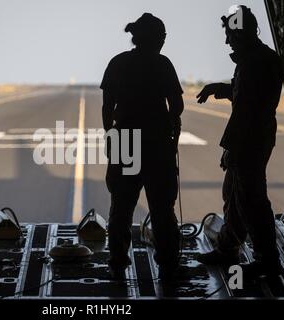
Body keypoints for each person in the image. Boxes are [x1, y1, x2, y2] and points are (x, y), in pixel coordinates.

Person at [196, 6, 284, 278]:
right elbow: (244, 95)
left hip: (250, 139)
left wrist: (230, 149)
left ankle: (266, 259)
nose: (226, 41)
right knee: (235, 195)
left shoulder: (254, 63)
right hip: (256, 135)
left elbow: (246, 110)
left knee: (251, 199)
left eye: (230, 35)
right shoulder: (259, 59)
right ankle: (228, 248)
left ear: (242, 33)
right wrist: (219, 89)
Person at [101, 13, 184, 280]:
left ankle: (117, 262)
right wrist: (171, 131)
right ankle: (169, 265)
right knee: (162, 210)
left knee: (121, 206)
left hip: (127, 140)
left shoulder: (118, 63)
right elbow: (177, 105)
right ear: (156, 38)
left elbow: (107, 106)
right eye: (162, 37)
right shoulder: (163, 64)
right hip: (158, 142)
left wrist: (111, 134)